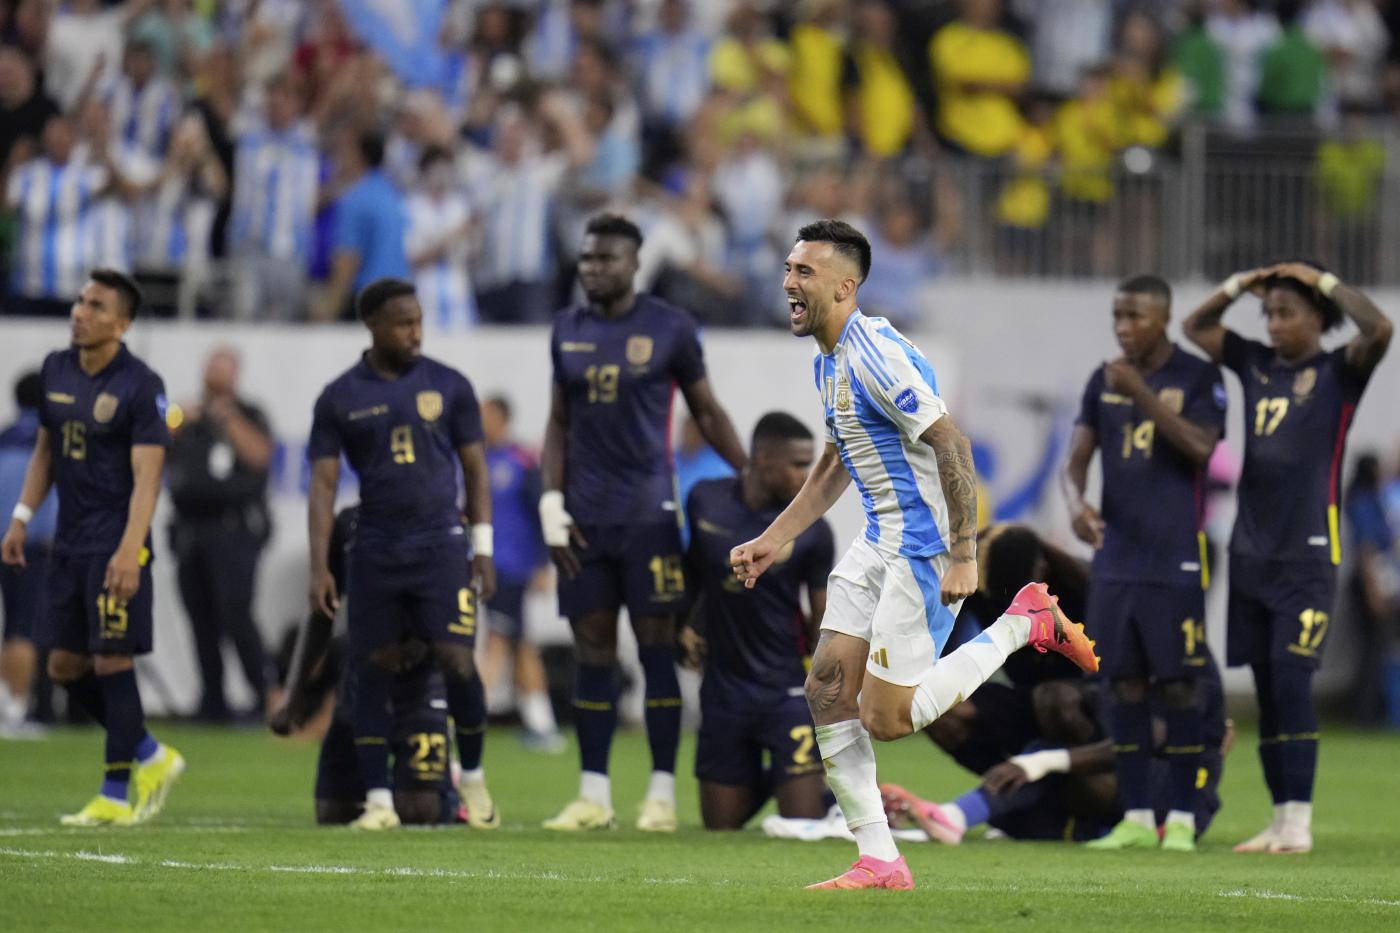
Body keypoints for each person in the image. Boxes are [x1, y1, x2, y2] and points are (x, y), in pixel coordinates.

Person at [729, 220, 1098, 889]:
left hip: (923, 549)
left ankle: (1024, 621)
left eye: (804, 272)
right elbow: (836, 461)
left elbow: (952, 445)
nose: (788, 282)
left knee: (887, 718)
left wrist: (964, 553)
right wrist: (773, 537)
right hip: (878, 540)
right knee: (826, 689)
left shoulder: (875, 354)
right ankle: (880, 858)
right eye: (788, 268)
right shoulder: (828, 359)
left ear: (846, 285)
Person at [539, 213, 747, 833]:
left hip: (649, 517)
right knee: (592, 654)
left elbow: (706, 411)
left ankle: (660, 795)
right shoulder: (565, 328)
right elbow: (558, 423)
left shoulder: (670, 327)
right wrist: (551, 502)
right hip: (584, 521)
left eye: (606, 259)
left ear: (635, 264)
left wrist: (750, 484)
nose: (594, 269)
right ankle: (593, 795)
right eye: (587, 259)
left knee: (658, 654)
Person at [1184, 261, 1392, 853]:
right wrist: (1243, 282)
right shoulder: (1254, 364)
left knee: (1295, 680)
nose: (1273, 324)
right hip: (1251, 553)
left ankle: (1299, 819)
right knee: (1269, 686)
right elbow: (1196, 326)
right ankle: (1280, 818)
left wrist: (1319, 278)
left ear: (1317, 319)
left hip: (1307, 558)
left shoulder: (1338, 371)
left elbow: (1380, 329)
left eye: (1286, 312)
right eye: (1268, 313)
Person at [306, 277, 497, 831]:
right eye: (403, 323)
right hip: (377, 547)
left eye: (419, 321)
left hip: (441, 545)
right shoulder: (341, 395)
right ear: (372, 325)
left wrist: (482, 547)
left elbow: (475, 467)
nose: (415, 332)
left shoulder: (450, 385)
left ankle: (476, 781)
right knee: (373, 666)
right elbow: (322, 486)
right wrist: (321, 566)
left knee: (458, 660)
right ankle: (378, 801)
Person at [0, 268, 185, 825]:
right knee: (63, 664)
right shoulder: (56, 368)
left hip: (116, 540)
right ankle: (152, 754)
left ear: (122, 324)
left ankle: (112, 794)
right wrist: (20, 518)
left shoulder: (141, 385)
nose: (80, 311)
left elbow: (148, 477)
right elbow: (45, 456)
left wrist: (130, 551)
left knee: (111, 659)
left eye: (97, 305)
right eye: (81, 301)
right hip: (69, 541)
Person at [1061, 275, 1226, 853]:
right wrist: (1077, 504)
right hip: (1116, 560)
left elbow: (1202, 449)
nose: (1124, 328)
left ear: (1163, 318)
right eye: (1117, 316)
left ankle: (1178, 817)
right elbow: (1076, 458)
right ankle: (1134, 816)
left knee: (1179, 687)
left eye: (1135, 317)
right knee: (1122, 686)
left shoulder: (1199, 377)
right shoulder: (1101, 381)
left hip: (1175, 560)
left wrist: (1140, 393)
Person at [683, 412, 835, 830]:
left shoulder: (813, 531)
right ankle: (781, 780)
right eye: (799, 464)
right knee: (720, 831)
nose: (808, 476)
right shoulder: (704, 500)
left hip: (785, 693)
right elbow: (696, 577)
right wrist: (689, 623)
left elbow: (821, 617)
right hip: (723, 690)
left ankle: (816, 790)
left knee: (803, 828)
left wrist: (826, 688)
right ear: (765, 459)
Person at [272, 506, 459, 826]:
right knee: (334, 812)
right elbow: (322, 609)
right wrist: (297, 690)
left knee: (418, 809)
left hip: (420, 676)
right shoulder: (348, 525)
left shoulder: (441, 524)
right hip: (363, 672)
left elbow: (455, 609)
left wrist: (413, 648)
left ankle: (452, 793)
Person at [167, 347, 274, 723]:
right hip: (190, 529)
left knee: (236, 614)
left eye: (222, 366)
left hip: (233, 529)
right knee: (200, 618)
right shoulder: (187, 415)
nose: (214, 372)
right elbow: (157, 442)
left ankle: (264, 693)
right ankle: (212, 698)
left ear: (236, 373)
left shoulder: (249, 414)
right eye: (210, 364)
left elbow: (261, 457)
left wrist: (228, 417)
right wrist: (180, 418)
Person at [477, 395, 562, 752]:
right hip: (486, 565)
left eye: (488, 416)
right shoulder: (474, 458)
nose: (482, 422)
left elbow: (539, 510)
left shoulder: (521, 461)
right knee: (522, 646)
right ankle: (542, 725)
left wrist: (542, 563)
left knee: (496, 641)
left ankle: (466, 718)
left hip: (510, 568)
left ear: (504, 419)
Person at [0, 371, 58, 735]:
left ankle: (7, 704)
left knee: (11, 629)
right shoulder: (50, 442)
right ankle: (16, 712)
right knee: (24, 629)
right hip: (30, 546)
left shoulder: (4, 438)